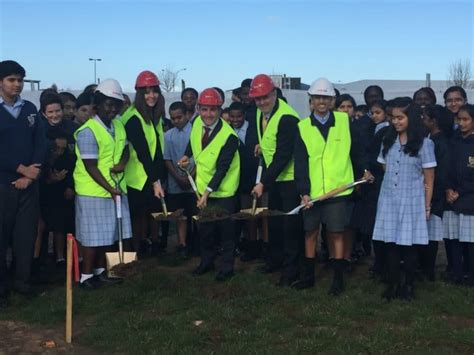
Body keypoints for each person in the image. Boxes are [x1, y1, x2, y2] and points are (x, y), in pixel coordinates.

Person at [293, 78, 372, 294]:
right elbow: (300, 163)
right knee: (310, 233)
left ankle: (338, 279)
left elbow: (356, 151)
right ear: (311, 101)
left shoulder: (344, 122)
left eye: (325, 98)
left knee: (336, 233)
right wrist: (304, 192)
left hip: (339, 190)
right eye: (317, 97)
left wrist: (363, 169)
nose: (321, 101)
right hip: (313, 194)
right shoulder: (302, 127)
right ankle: (309, 277)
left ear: (332, 100)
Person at [373, 98, 436, 301]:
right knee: (390, 244)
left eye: (401, 118)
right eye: (393, 118)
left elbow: (429, 177)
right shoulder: (387, 140)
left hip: (412, 200)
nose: (396, 122)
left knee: (408, 246)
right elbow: (385, 168)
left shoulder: (425, 144)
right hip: (389, 199)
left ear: (411, 118)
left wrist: (426, 205)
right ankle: (392, 283)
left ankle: (408, 285)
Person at [74, 79, 132, 289]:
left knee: (107, 234)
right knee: (92, 238)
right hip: (93, 192)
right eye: (109, 104)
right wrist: (110, 189)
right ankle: (86, 276)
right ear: (97, 105)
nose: (113, 109)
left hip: (114, 188)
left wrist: (122, 164)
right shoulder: (89, 130)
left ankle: (100, 272)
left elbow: (126, 149)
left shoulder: (118, 125)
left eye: (116, 104)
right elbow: (90, 166)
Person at [179, 88, 240, 282]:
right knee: (205, 229)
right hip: (202, 188)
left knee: (226, 232)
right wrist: (186, 155)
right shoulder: (197, 123)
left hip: (224, 191)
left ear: (220, 110)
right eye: (204, 109)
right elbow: (193, 142)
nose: (208, 114)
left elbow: (222, 169)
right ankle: (206, 263)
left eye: (213, 110)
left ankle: (227, 267)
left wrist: (207, 193)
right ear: (198, 109)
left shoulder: (229, 137)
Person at [247, 74, 303, 287]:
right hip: (274, 180)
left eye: (265, 97)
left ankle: (291, 271)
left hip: (288, 180)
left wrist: (263, 183)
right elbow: (270, 139)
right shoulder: (260, 113)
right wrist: (262, 146)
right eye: (257, 98)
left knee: (290, 227)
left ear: (274, 93)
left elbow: (284, 154)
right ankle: (275, 261)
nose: (261, 102)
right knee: (275, 223)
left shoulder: (287, 117)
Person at [0, 60, 46, 306]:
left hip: (29, 185)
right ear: (0, 82)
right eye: (11, 80)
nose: (16, 85)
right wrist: (19, 169)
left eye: (19, 80)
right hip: (3, 184)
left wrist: (31, 173)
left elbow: (41, 141)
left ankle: (22, 282)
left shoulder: (29, 108)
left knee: (25, 236)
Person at [120, 71, 166, 257]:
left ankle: (149, 247)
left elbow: (156, 148)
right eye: (146, 92)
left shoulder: (154, 116)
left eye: (154, 91)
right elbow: (143, 152)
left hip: (150, 175)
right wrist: (155, 181)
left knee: (150, 214)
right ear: (139, 94)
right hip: (136, 178)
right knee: (138, 217)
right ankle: (136, 252)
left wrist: (156, 178)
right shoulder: (132, 118)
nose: (151, 96)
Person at [419, 105, 451, 281]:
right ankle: (423, 267)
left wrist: (433, 193)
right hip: (428, 191)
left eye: (425, 117)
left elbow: (442, 171)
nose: (422, 120)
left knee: (431, 235)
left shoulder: (440, 142)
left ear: (434, 121)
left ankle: (428, 270)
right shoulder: (430, 137)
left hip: (434, 193)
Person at [445, 104, 474, 286]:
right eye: (459, 119)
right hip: (451, 197)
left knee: (470, 241)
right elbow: (446, 168)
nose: (461, 123)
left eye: (466, 119)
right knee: (453, 238)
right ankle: (455, 273)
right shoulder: (453, 140)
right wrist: (448, 189)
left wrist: (460, 191)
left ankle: (470, 275)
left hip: (470, 198)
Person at [164, 101, 196, 257]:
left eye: (179, 117)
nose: (176, 121)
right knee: (180, 215)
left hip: (195, 181)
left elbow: (200, 158)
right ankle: (182, 244)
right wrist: (178, 178)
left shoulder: (196, 132)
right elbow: (167, 159)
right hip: (175, 182)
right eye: (173, 118)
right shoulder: (168, 135)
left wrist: (191, 177)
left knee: (195, 213)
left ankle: (197, 244)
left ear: (187, 115)